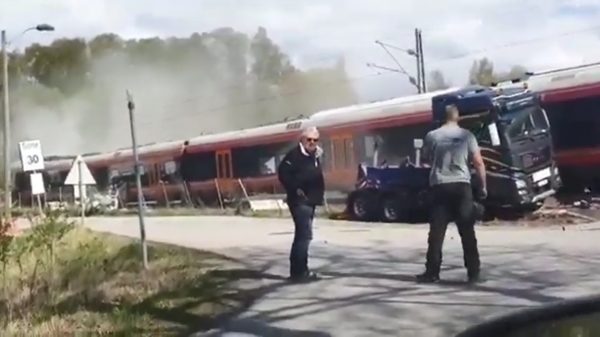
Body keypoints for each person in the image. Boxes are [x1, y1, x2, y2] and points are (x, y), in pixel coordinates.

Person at [416, 104, 487, 284]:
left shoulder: (432, 136)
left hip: (440, 186)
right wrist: (483, 186)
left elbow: (425, 158)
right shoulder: (467, 136)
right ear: (457, 118)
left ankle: (432, 272)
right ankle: (473, 273)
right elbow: (478, 163)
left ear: (443, 117)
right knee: (467, 231)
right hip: (462, 187)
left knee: (437, 232)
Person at [277, 126, 325, 282]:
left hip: (311, 200)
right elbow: (283, 173)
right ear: (302, 140)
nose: (311, 142)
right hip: (300, 201)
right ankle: (299, 272)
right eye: (308, 139)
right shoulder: (294, 155)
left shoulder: (315, 155)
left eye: (315, 140)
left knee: (303, 236)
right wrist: (296, 190)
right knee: (304, 236)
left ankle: (299, 271)